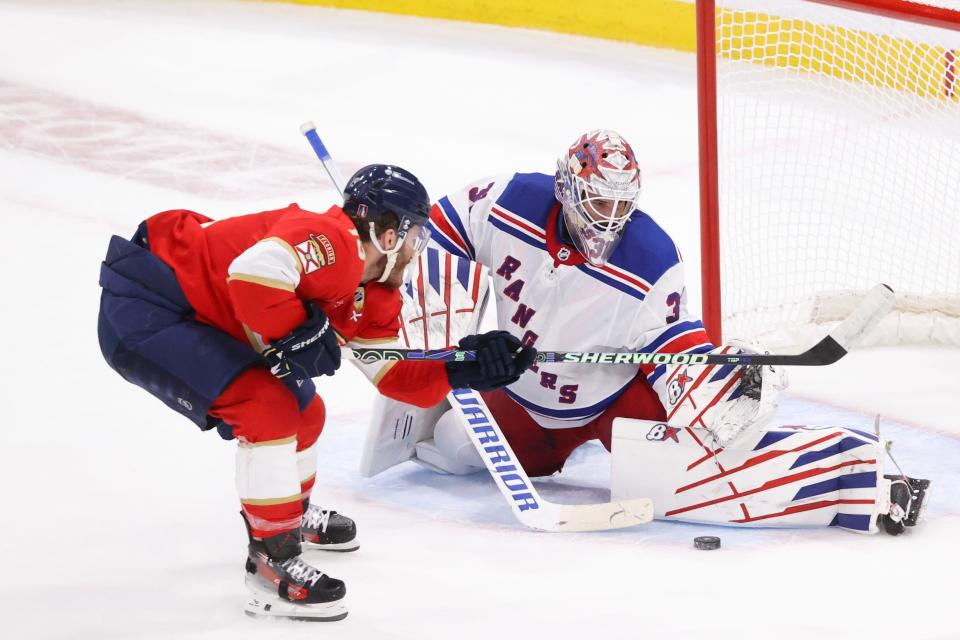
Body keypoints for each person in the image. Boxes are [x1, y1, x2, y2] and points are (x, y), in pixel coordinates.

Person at [400, 129, 926, 535]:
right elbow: (435, 237)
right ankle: (549, 446)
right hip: (524, 401)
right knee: (452, 448)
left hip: (614, 404)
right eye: (599, 203)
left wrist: (722, 382)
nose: (610, 219)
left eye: (621, 205)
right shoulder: (508, 201)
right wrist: (466, 341)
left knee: (702, 485)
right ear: (567, 187)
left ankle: (858, 469)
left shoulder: (651, 258)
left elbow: (679, 354)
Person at [97, 164, 535, 621]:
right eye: (414, 235)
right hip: (146, 307)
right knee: (268, 410)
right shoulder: (332, 239)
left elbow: (395, 377)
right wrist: (297, 330)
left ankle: (290, 510)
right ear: (388, 233)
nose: (415, 249)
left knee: (307, 410)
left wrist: (465, 367)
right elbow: (251, 275)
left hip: (199, 313)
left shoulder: (375, 291)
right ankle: (270, 560)